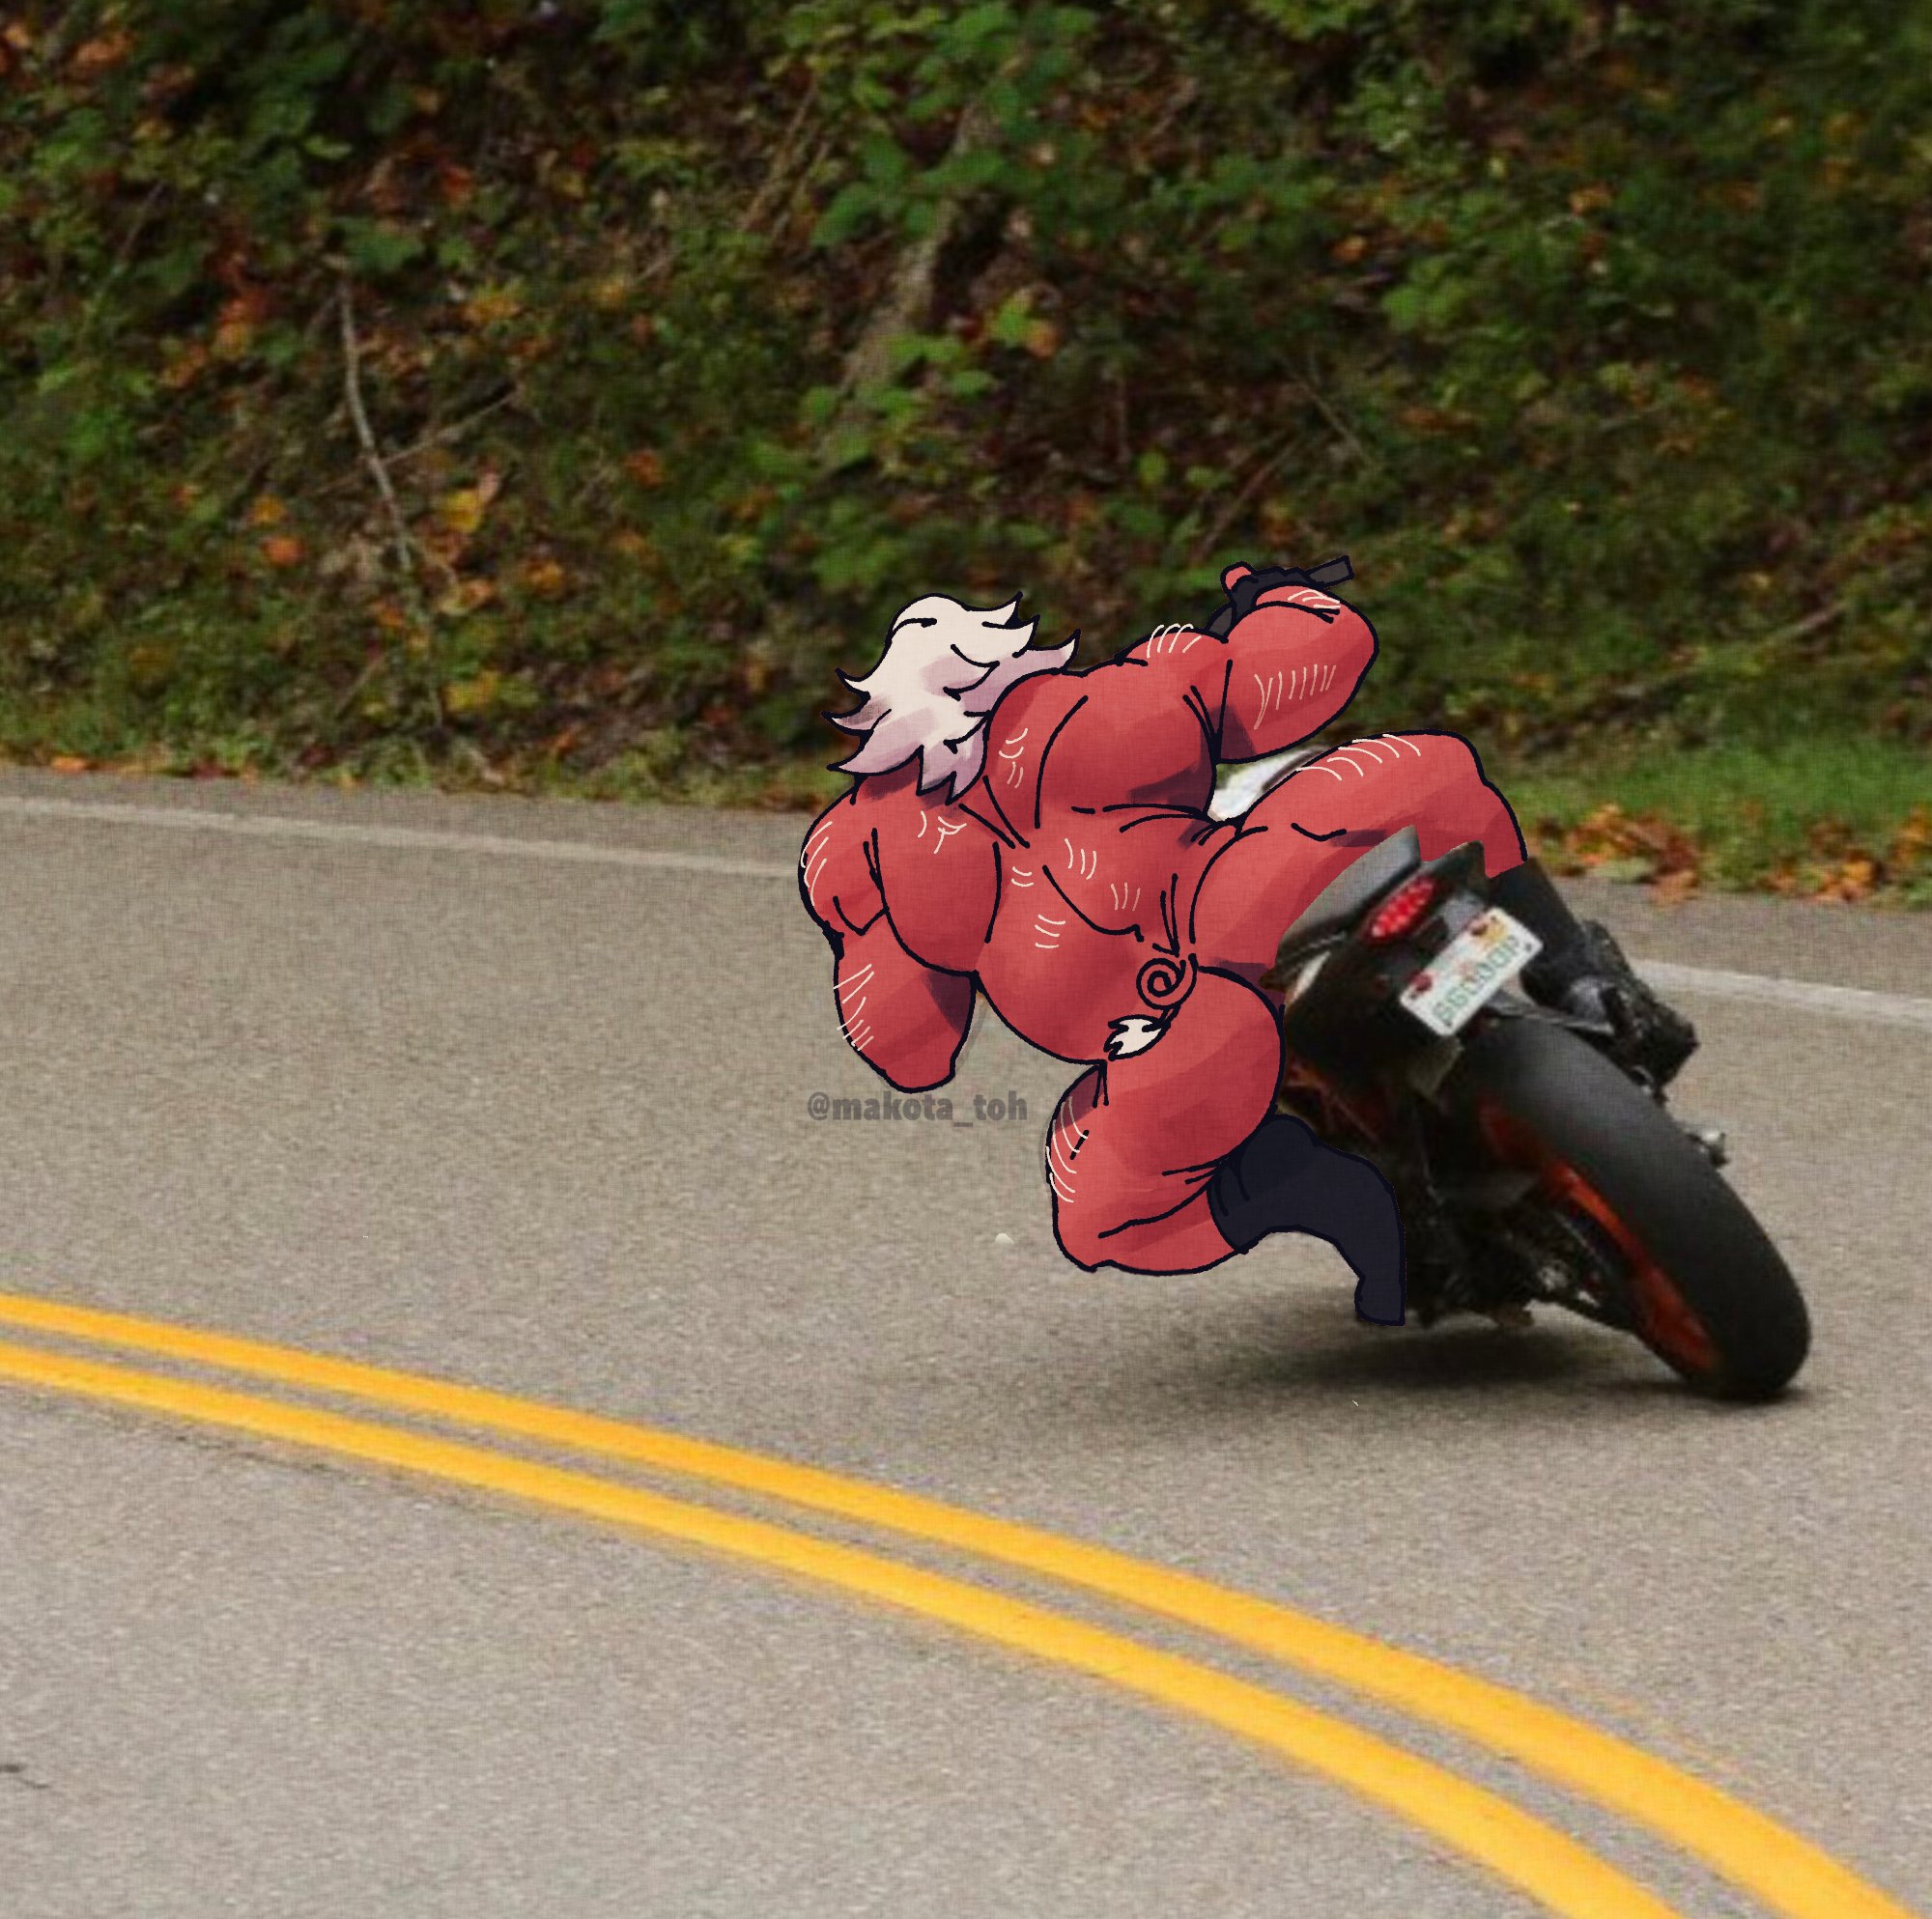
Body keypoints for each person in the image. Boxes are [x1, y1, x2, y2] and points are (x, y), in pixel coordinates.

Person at [797, 561, 1695, 1325]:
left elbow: (907, 1046)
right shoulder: (1115, 698)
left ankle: (1375, 1213)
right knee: (1437, 771)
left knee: (1102, 1209)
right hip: (1247, 907)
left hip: (1180, 1019)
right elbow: (1313, 660)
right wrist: (1287, 597)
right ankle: (1587, 981)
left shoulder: (884, 848)